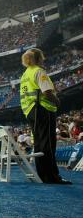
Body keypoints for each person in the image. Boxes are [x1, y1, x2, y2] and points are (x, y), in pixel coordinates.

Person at [19, 48, 72, 184]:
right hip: (42, 110)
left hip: (30, 111)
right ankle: (52, 176)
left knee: (39, 144)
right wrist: (57, 100)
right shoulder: (39, 71)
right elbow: (47, 92)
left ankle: (43, 175)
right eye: (41, 58)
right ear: (36, 59)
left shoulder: (25, 74)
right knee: (48, 143)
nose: (43, 60)